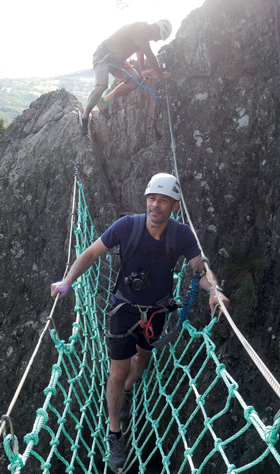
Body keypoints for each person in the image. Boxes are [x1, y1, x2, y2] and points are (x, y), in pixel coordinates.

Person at [51, 173, 230, 468]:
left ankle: (129, 392)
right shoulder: (127, 226)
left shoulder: (181, 234)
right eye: (151, 199)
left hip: (156, 313)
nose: (155, 205)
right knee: (118, 372)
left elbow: (201, 268)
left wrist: (214, 290)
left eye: (162, 200)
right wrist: (67, 280)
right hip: (123, 311)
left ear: (174, 206)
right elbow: (92, 252)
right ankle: (114, 433)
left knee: (143, 358)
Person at [79, 19, 172, 136]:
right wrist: (161, 74)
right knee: (102, 86)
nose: (157, 40)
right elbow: (149, 54)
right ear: (155, 29)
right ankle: (85, 117)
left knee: (136, 80)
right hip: (103, 55)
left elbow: (140, 52)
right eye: (159, 36)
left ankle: (104, 102)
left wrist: (142, 69)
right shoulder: (140, 29)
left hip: (117, 62)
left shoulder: (143, 33)